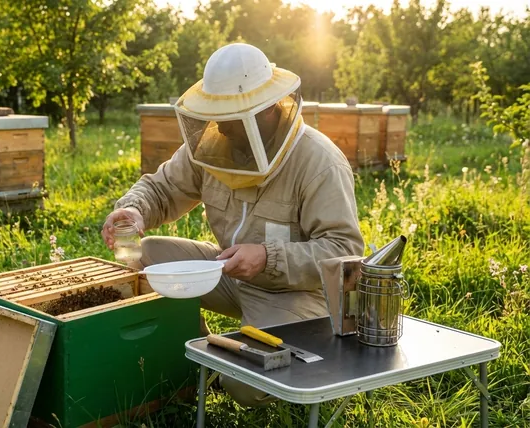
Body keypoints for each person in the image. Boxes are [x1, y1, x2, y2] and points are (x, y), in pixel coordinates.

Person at [100, 43, 364, 407]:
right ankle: (193, 353)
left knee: (243, 385)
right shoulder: (214, 144)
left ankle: (246, 364)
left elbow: (344, 253)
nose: (222, 128)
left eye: (232, 117)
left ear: (268, 109)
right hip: (229, 272)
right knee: (146, 255)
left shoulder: (319, 162)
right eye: (218, 114)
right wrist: (134, 209)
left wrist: (268, 257)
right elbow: (163, 187)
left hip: (297, 295)